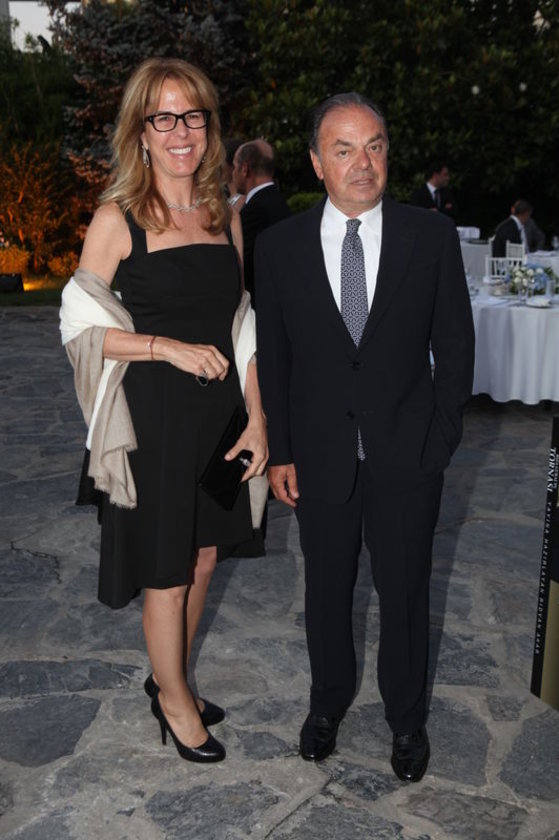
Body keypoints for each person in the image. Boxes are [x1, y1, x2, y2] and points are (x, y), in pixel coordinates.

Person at [255, 93, 474, 782]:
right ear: (317, 162)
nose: (363, 163)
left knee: (405, 592)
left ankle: (406, 720)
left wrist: (440, 439)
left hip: (407, 454)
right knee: (325, 591)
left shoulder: (429, 237)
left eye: (374, 146)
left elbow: (456, 346)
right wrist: (282, 452)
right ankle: (327, 704)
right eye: (344, 149)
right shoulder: (279, 246)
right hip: (319, 458)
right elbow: (275, 358)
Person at [60, 58, 267, 763]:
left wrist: (259, 419)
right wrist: (165, 348)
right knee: (168, 569)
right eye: (164, 118)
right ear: (141, 133)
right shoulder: (118, 218)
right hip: (155, 424)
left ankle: (169, 676)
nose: (181, 131)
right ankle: (175, 700)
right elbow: (78, 328)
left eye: (192, 116)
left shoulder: (226, 216)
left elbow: (242, 326)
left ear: (209, 126)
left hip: (220, 420)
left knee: (205, 559)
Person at [231, 139, 291, 304]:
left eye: (235, 166)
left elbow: (239, 263)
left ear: (245, 169)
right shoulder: (279, 202)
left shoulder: (255, 211)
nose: (233, 173)